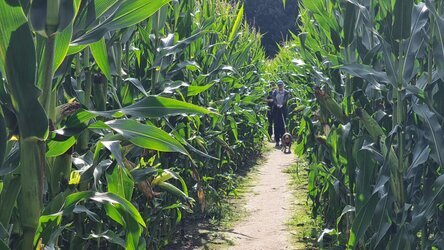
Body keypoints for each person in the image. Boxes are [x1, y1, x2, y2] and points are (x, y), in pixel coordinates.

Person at [272, 80, 290, 147]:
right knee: (276, 125)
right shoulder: (275, 92)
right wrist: (277, 104)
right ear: (277, 86)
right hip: (276, 110)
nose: (280, 87)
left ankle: (283, 141)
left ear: (283, 85)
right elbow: (274, 99)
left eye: (281, 85)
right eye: (279, 85)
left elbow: (285, 99)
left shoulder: (286, 92)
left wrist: (282, 104)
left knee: (283, 125)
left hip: (283, 110)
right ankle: (277, 141)